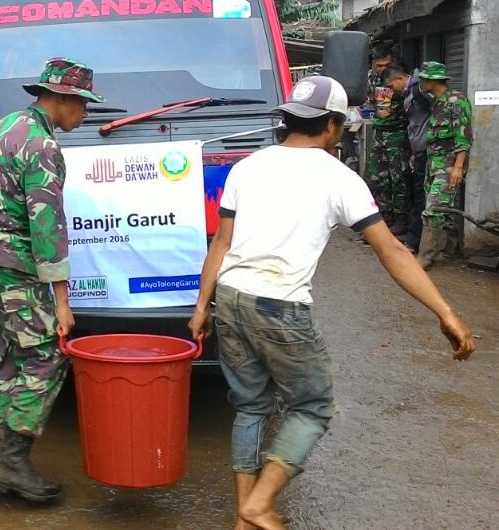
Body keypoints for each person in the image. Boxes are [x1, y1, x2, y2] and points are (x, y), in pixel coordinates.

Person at [188, 75, 475, 530]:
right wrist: (446, 312)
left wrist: (202, 307)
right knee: (313, 406)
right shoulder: (340, 178)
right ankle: (259, 505)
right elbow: (392, 251)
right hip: (280, 306)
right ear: (333, 126)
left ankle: (245, 518)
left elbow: (220, 244)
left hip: (231, 297)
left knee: (251, 406)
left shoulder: (248, 166)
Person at [0, 57, 100, 503]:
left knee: (12, 355)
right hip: (12, 263)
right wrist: (62, 303)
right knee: (46, 355)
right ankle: (13, 461)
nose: (86, 114)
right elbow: (48, 229)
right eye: (83, 104)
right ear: (61, 99)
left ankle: (4, 452)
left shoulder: (7, 125)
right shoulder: (41, 145)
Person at [415, 62, 472, 269]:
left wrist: (458, 167)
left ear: (432, 81)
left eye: (423, 79)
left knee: (434, 210)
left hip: (448, 167)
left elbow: (464, 137)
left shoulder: (457, 101)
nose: (420, 82)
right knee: (443, 211)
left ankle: (424, 258)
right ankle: (443, 252)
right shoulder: (437, 103)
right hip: (434, 164)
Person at [366, 67, 411, 235]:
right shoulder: (378, 85)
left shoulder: (408, 89)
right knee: (377, 178)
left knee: (399, 179)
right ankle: (384, 218)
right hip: (379, 133)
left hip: (397, 135)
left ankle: (401, 219)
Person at [403, 69, 432, 251]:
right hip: (419, 151)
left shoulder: (420, 93)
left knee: (422, 198)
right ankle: (415, 240)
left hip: (430, 153)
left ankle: (415, 242)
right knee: (417, 195)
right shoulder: (412, 92)